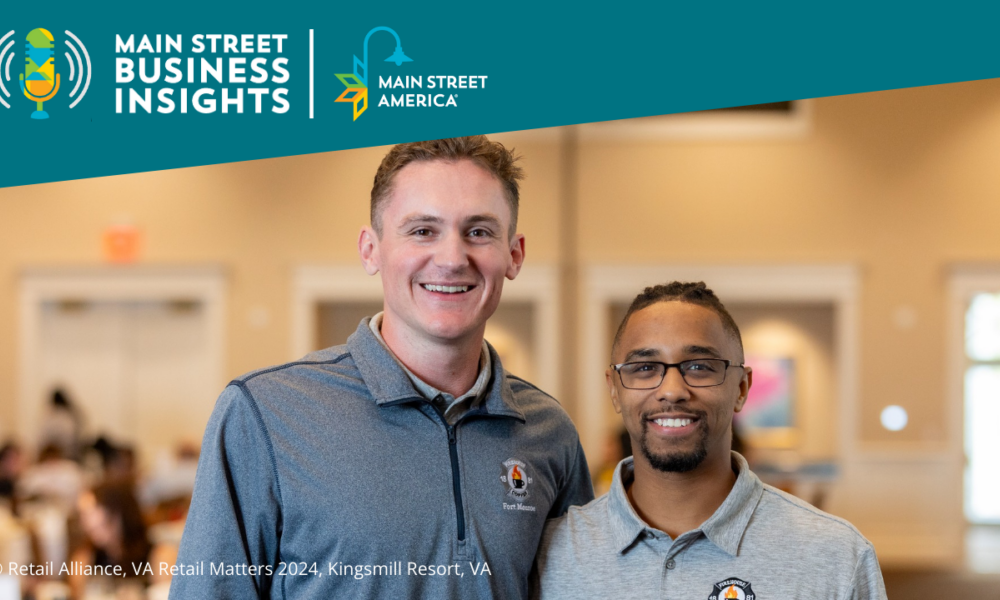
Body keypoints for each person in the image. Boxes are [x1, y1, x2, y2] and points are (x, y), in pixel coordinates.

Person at [171, 136, 593, 599]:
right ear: (370, 250)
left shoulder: (549, 432)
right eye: (422, 231)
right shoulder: (263, 416)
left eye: (478, 231)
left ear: (514, 254)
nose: (452, 258)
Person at [532, 282, 886, 599]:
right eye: (644, 368)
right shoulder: (548, 552)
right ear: (614, 389)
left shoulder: (837, 556)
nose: (672, 390)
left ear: (741, 389)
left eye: (699, 366)